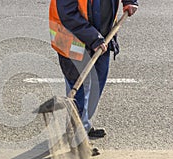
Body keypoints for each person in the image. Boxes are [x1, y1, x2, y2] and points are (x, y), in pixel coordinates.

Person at [49, 0, 138, 138]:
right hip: (71, 39)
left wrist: (129, 1)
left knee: (97, 84)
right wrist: (93, 38)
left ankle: (84, 125)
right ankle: (77, 136)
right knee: (80, 90)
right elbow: (68, 14)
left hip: (103, 37)